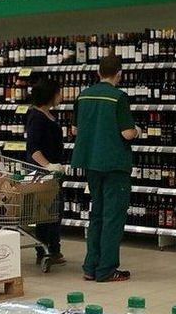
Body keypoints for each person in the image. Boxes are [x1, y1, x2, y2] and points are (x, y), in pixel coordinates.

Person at [71, 54, 141, 282]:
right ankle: (107, 269)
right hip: (113, 163)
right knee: (113, 216)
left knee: (97, 214)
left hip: (91, 162)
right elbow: (127, 133)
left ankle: (90, 267)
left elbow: (75, 130)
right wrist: (138, 131)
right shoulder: (118, 97)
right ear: (119, 74)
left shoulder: (83, 95)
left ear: (98, 72)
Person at [25, 77, 66, 265]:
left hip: (53, 173)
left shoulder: (47, 114)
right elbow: (33, 149)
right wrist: (48, 166)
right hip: (43, 174)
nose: (61, 96)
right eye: (58, 93)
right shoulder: (36, 117)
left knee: (54, 212)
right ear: (50, 95)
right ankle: (44, 251)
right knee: (45, 214)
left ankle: (53, 249)